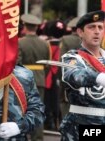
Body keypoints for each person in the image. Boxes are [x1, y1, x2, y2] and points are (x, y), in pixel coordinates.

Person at [60, 10, 105, 141]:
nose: (97, 31)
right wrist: (97, 77)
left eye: (100, 27)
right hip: (83, 124)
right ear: (80, 32)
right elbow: (74, 75)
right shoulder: (72, 57)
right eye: (91, 27)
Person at [17, 13, 50, 141]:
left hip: (22, 80)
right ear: (36, 27)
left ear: (24, 26)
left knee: (21, 110)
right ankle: (38, 138)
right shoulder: (45, 43)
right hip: (40, 79)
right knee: (37, 111)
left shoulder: (20, 42)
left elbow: (16, 63)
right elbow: (47, 64)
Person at [59, 17, 81, 119]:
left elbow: (62, 59)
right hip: (84, 75)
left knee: (65, 102)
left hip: (69, 75)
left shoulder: (65, 39)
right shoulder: (87, 40)